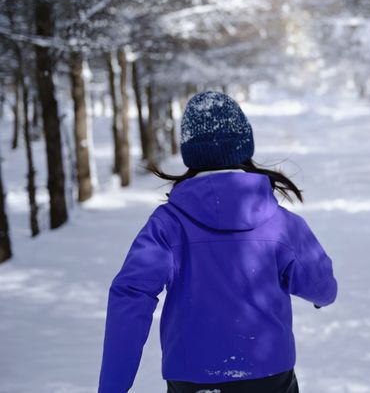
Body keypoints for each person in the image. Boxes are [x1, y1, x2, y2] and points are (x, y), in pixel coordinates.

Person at [97, 91, 337, 393]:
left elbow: (130, 297)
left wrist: (112, 387)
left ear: (190, 153)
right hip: (270, 377)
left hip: (192, 380)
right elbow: (324, 287)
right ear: (244, 147)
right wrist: (319, 294)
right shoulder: (282, 222)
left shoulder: (166, 224)